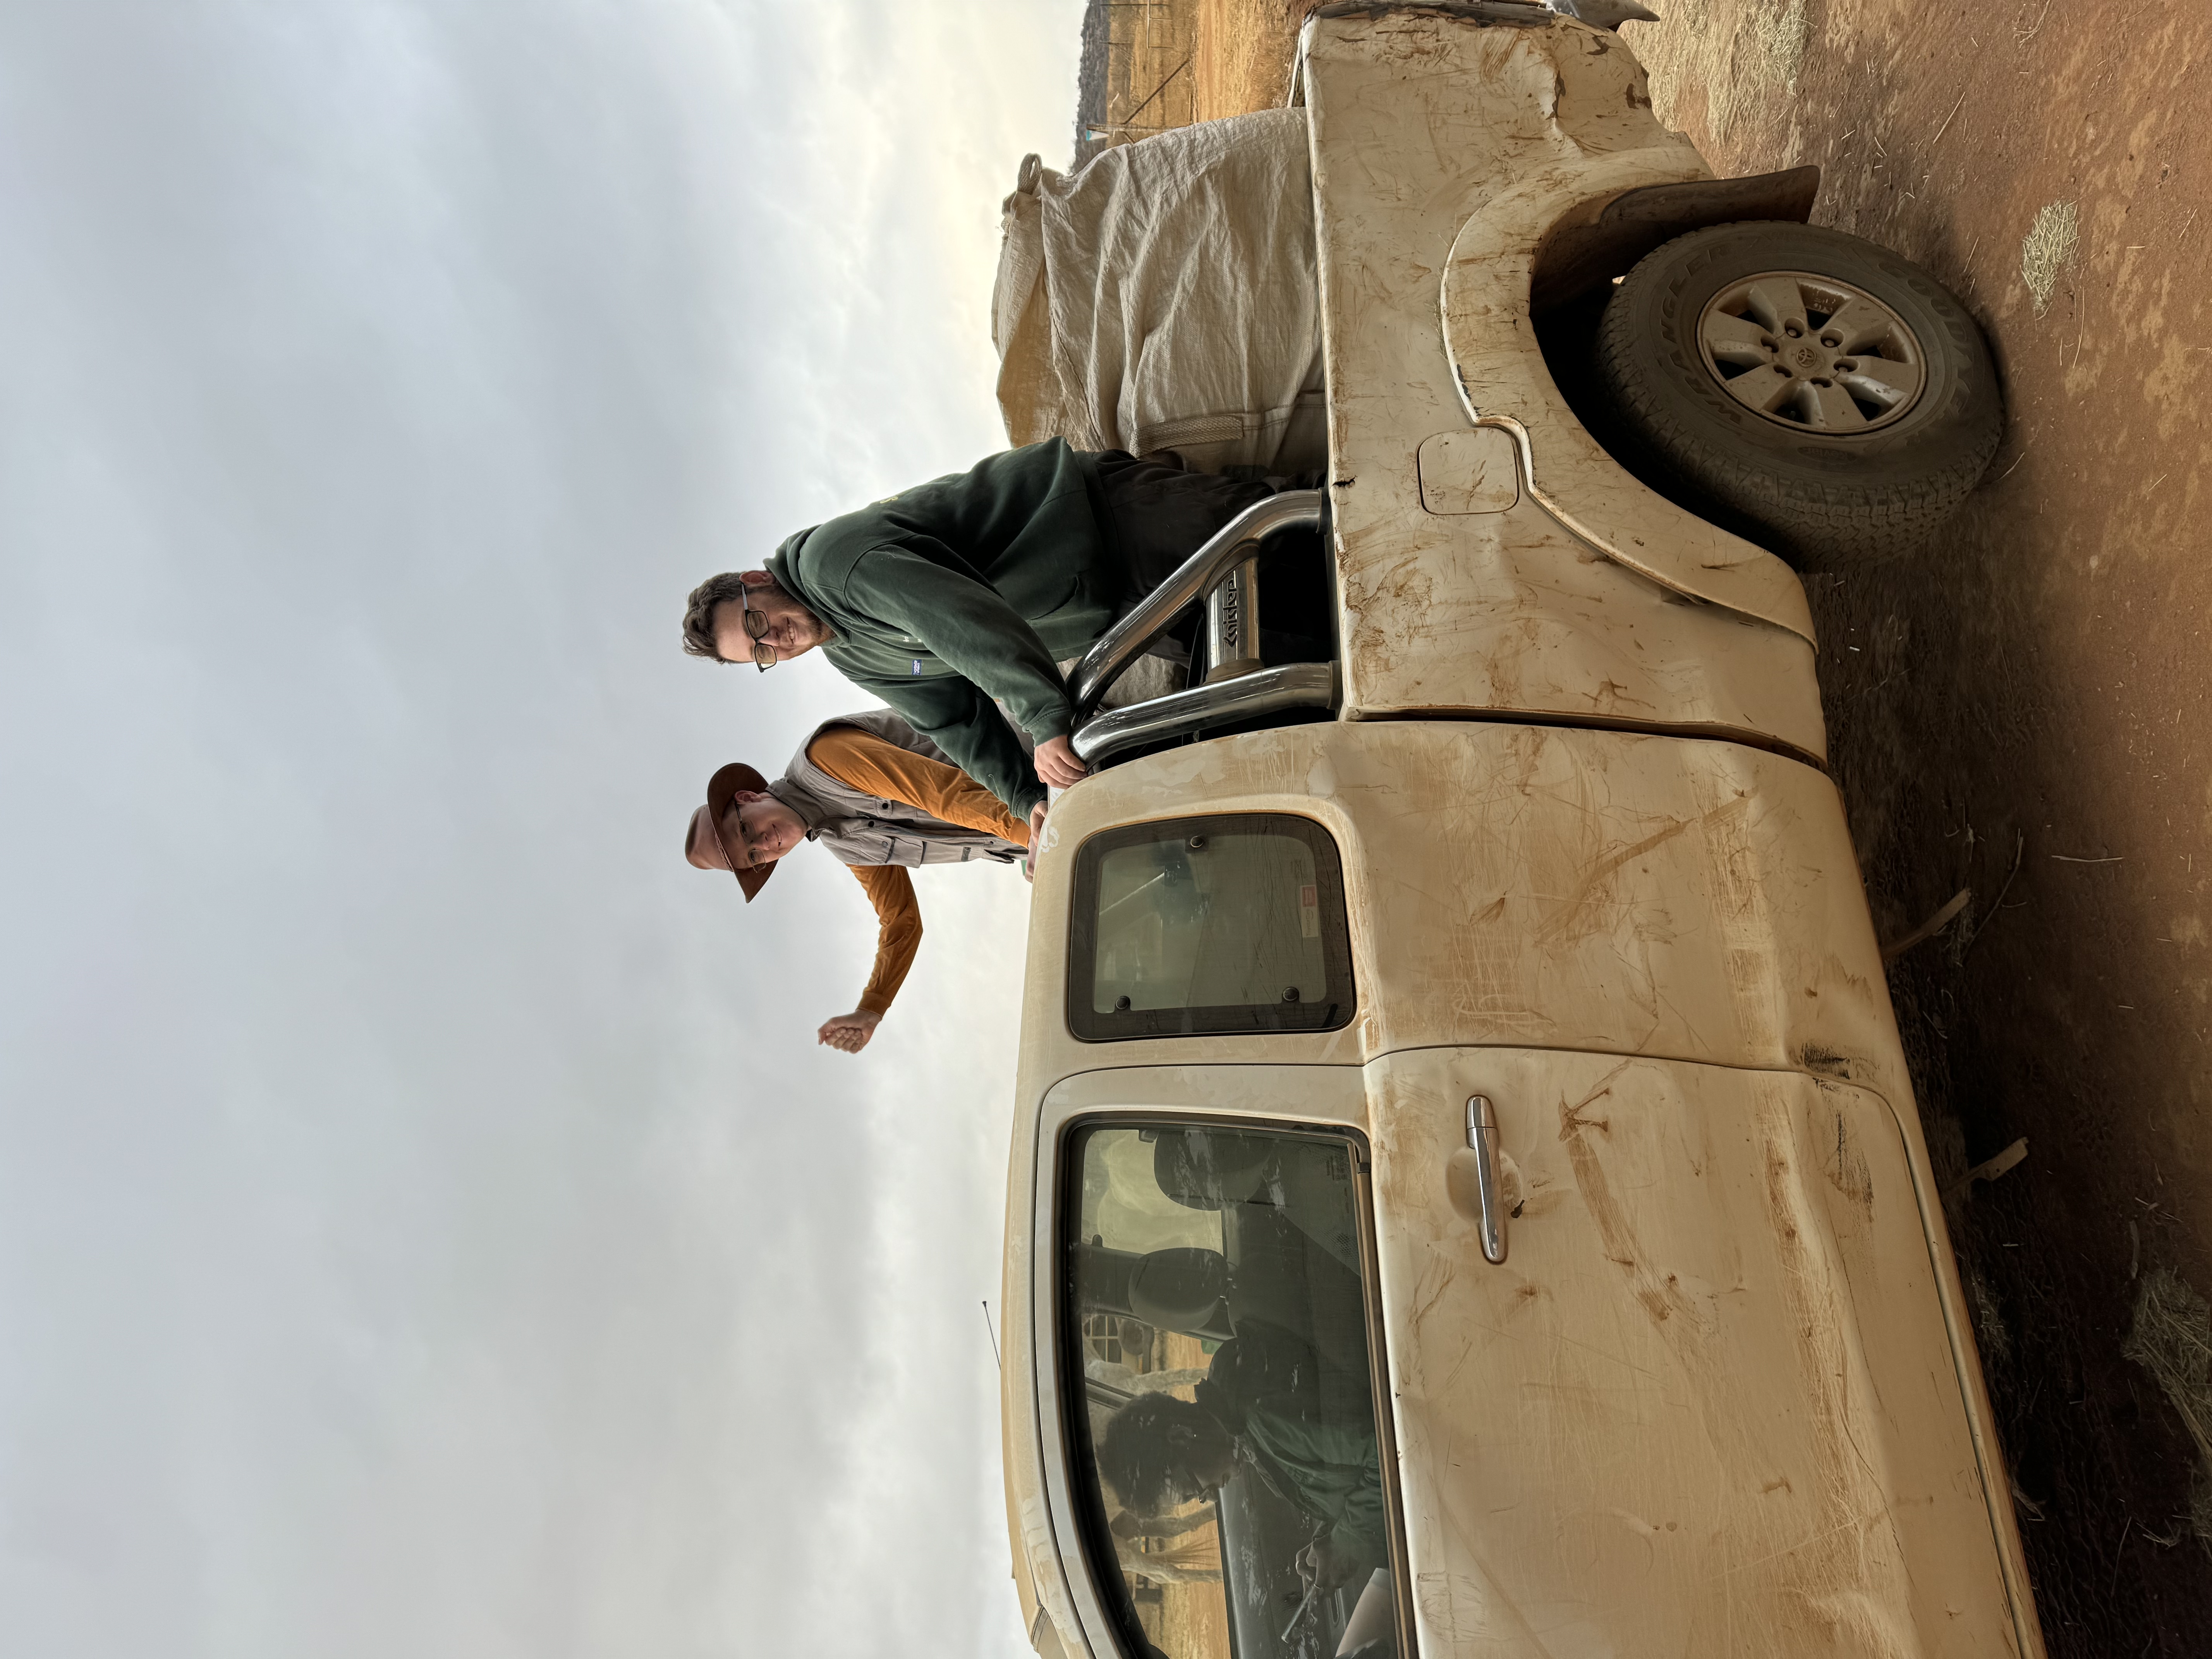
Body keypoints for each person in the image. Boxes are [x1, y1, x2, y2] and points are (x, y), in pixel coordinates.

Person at [678, 440, 1279, 819]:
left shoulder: (832, 566)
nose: (774, 641)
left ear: (756, 579)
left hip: (1099, 521)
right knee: (1281, 652)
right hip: (1108, 611)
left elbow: (956, 617)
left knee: (1294, 556)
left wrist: (1046, 723)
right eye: (759, 652)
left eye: (756, 621)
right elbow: (954, 719)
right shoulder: (852, 656)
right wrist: (1027, 801)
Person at [684, 708, 1030, 1053]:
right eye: (755, 856)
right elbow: (901, 921)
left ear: (748, 798)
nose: (764, 843)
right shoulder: (845, 845)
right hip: (1036, 828)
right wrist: (872, 1008)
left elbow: (941, 791)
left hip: (1035, 758)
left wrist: (1033, 832)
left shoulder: (824, 760)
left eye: (746, 830)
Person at [1097, 1321, 1388, 1598]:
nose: (1209, 1496)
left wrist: (1347, 1544)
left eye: (1189, 1489)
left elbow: (1387, 1446)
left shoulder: (1265, 1417)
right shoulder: (1248, 1433)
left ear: (1180, 1436)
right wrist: (1330, 1539)